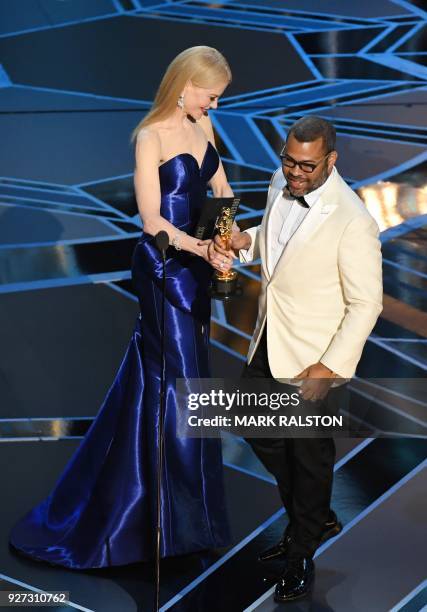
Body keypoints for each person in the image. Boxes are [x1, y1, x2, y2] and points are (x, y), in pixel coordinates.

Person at [9, 46, 235, 569]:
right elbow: (151, 220)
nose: (216, 107)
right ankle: (165, 521)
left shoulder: (205, 130)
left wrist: (230, 238)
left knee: (176, 381)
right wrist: (200, 247)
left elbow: (221, 194)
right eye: (212, 96)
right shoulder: (150, 137)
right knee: (181, 383)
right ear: (185, 84)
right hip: (162, 269)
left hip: (198, 271)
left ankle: (178, 515)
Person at [210, 116, 383, 602]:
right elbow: (279, 238)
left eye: (306, 166)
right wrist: (246, 242)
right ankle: (316, 514)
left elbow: (366, 303)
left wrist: (330, 368)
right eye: (288, 161)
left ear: (332, 160)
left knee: (309, 458)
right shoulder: (278, 184)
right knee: (257, 429)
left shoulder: (353, 221)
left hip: (313, 357)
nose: (295, 174)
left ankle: (302, 550)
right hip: (269, 338)